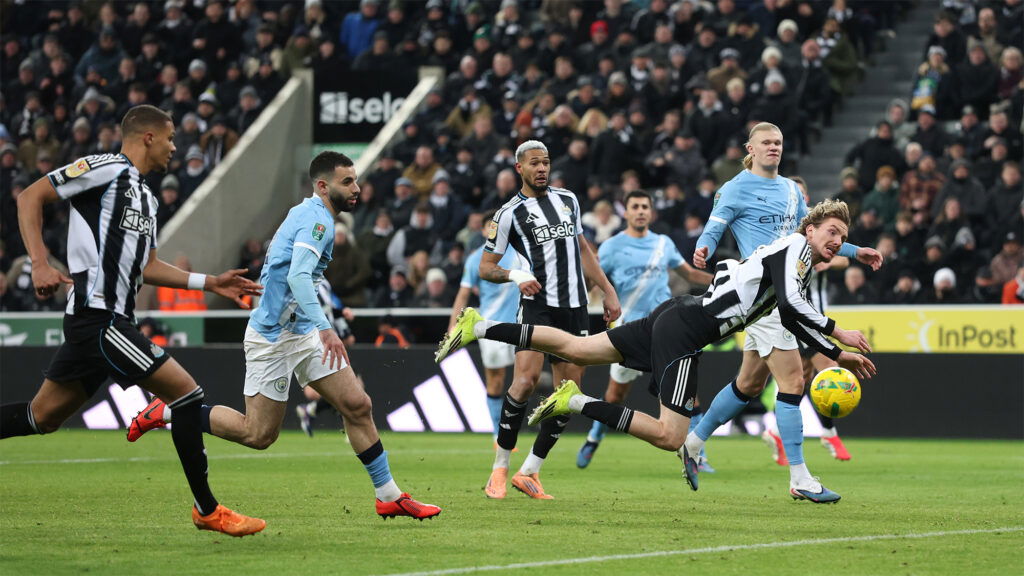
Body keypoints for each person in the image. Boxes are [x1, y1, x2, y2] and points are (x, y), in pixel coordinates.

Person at [439, 199, 876, 502]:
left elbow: (792, 313)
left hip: (677, 313)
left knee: (577, 347)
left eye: (843, 236)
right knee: (672, 436)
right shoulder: (796, 249)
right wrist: (842, 335)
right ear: (810, 229)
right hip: (684, 332)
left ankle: (481, 327)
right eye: (832, 231)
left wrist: (837, 354)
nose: (837, 240)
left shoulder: (795, 256)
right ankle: (574, 399)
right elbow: (792, 304)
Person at [128, 151, 441, 521]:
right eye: (347, 182)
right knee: (258, 435)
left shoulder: (311, 214)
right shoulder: (318, 222)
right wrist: (328, 328)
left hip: (302, 331)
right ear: (323, 186)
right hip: (273, 337)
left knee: (358, 405)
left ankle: (388, 495)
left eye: (355, 180)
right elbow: (297, 277)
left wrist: (316, 327)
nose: (356, 188)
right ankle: (166, 411)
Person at [0, 105, 265, 536]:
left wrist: (211, 283)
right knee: (186, 394)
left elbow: (150, 266)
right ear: (147, 137)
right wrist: (39, 263)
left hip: (108, 321)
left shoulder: (146, 196)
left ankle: (206, 509)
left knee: (41, 417)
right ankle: (207, 509)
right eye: (170, 138)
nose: (174, 148)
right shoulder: (105, 169)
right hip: (98, 319)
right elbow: (30, 196)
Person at [687, 123, 882, 502]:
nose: (773, 147)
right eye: (766, 143)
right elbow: (715, 226)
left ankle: (693, 442)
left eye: (778, 142)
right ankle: (800, 477)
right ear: (751, 148)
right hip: (767, 292)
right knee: (793, 383)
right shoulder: (734, 188)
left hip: (781, 293)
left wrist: (855, 251)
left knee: (749, 385)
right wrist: (704, 248)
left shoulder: (792, 191)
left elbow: (815, 234)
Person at [460, 140, 620, 500]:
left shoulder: (569, 200)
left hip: (576, 307)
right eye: (535, 163)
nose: (542, 168)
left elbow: (583, 250)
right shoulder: (507, 214)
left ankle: (530, 471)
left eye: (546, 162)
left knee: (567, 395)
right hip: (537, 305)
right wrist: (516, 276)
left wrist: (607, 290)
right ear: (520, 168)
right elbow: (486, 267)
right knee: (526, 381)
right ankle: (499, 468)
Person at [575, 190, 714, 470]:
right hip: (630, 331)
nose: (640, 211)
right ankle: (593, 438)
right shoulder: (612, 247)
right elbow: (595, 280)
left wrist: (729, 281)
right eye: (635, 207)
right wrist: (579, 298)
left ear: (651, 212)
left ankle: (698, 454)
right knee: (615, 395)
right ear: (625, 212)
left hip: (667, 331)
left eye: (645, 207)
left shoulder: (663, 243)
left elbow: (689, 274)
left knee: (688, 393)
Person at [760, 176, 853, 465]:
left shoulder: (825, 233)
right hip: (799, 316)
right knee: (830, 369)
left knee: (800, 381)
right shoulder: (787, 236)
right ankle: (829, 433)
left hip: (817, 314)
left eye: (801, 193)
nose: (796, 198)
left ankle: (776, 432)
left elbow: (845, 259)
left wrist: (824, 259)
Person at [449, 210, 524, 445]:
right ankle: (497, 434)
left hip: (521, 324)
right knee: (496, 380)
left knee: (524, 378)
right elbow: (462, 295)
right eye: (489, 226)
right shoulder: (475, 259)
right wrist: (453, 326)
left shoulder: (521, 255)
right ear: (483, 231)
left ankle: (510, 428)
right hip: (489, 326)